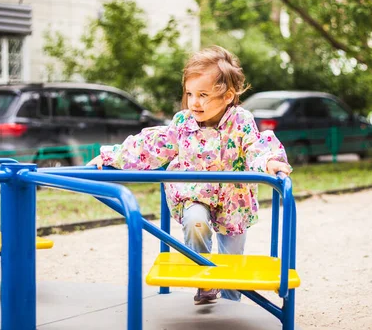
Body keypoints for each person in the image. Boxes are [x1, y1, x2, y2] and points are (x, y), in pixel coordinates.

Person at [87, 45, 292, 305]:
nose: (194, 102)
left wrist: (271, 161)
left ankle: (232, 305)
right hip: (195, 193)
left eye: (203, 95)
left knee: (231, 261)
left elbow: (255, 146)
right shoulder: (183, 123)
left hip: (233, 200)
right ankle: (204, 281)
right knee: (195, 221)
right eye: (190, 93)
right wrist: (110, 156)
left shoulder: (241, 121)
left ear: (228, 96)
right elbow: (152, 146)